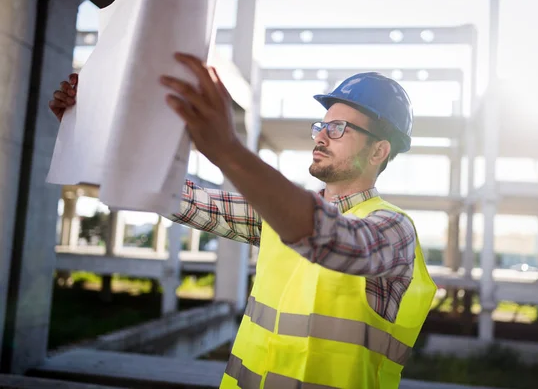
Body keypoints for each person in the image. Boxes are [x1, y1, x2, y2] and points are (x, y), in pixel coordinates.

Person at [49, 53, 437, 389]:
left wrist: (228, 150)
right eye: (321, 126)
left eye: (338, 129)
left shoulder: (392, 229)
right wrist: (95, 129)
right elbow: (179, 196)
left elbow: (335, 242)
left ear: (379, 151)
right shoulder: (278, 212)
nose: (321, 137)